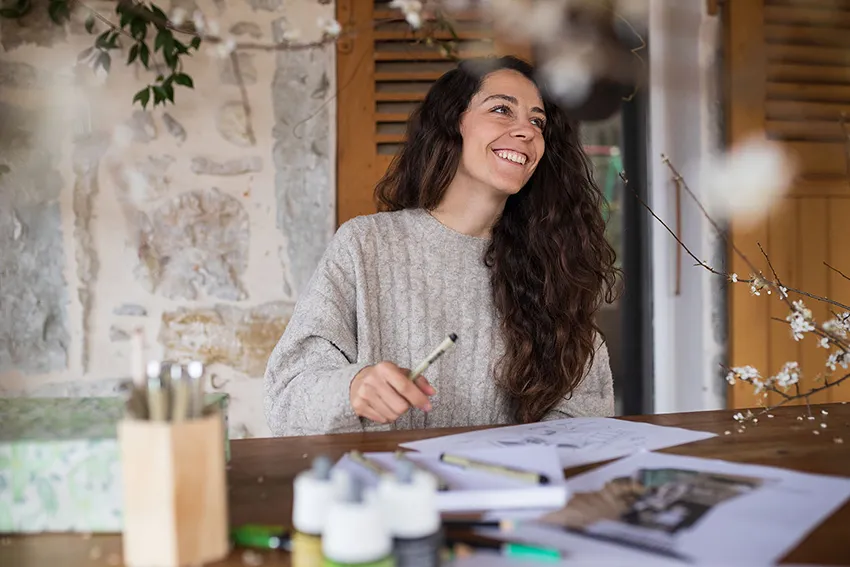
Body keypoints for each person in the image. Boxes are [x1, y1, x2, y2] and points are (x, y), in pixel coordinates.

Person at [264, 55, 620, 437]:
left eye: (537, 121)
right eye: (502, 110)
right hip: (389, 489)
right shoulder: (365, 245)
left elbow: (585, 412)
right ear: (454, 122)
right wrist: (351, 390)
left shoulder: (553, 263)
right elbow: (287, 396)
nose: (527, 132)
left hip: (506, 490)